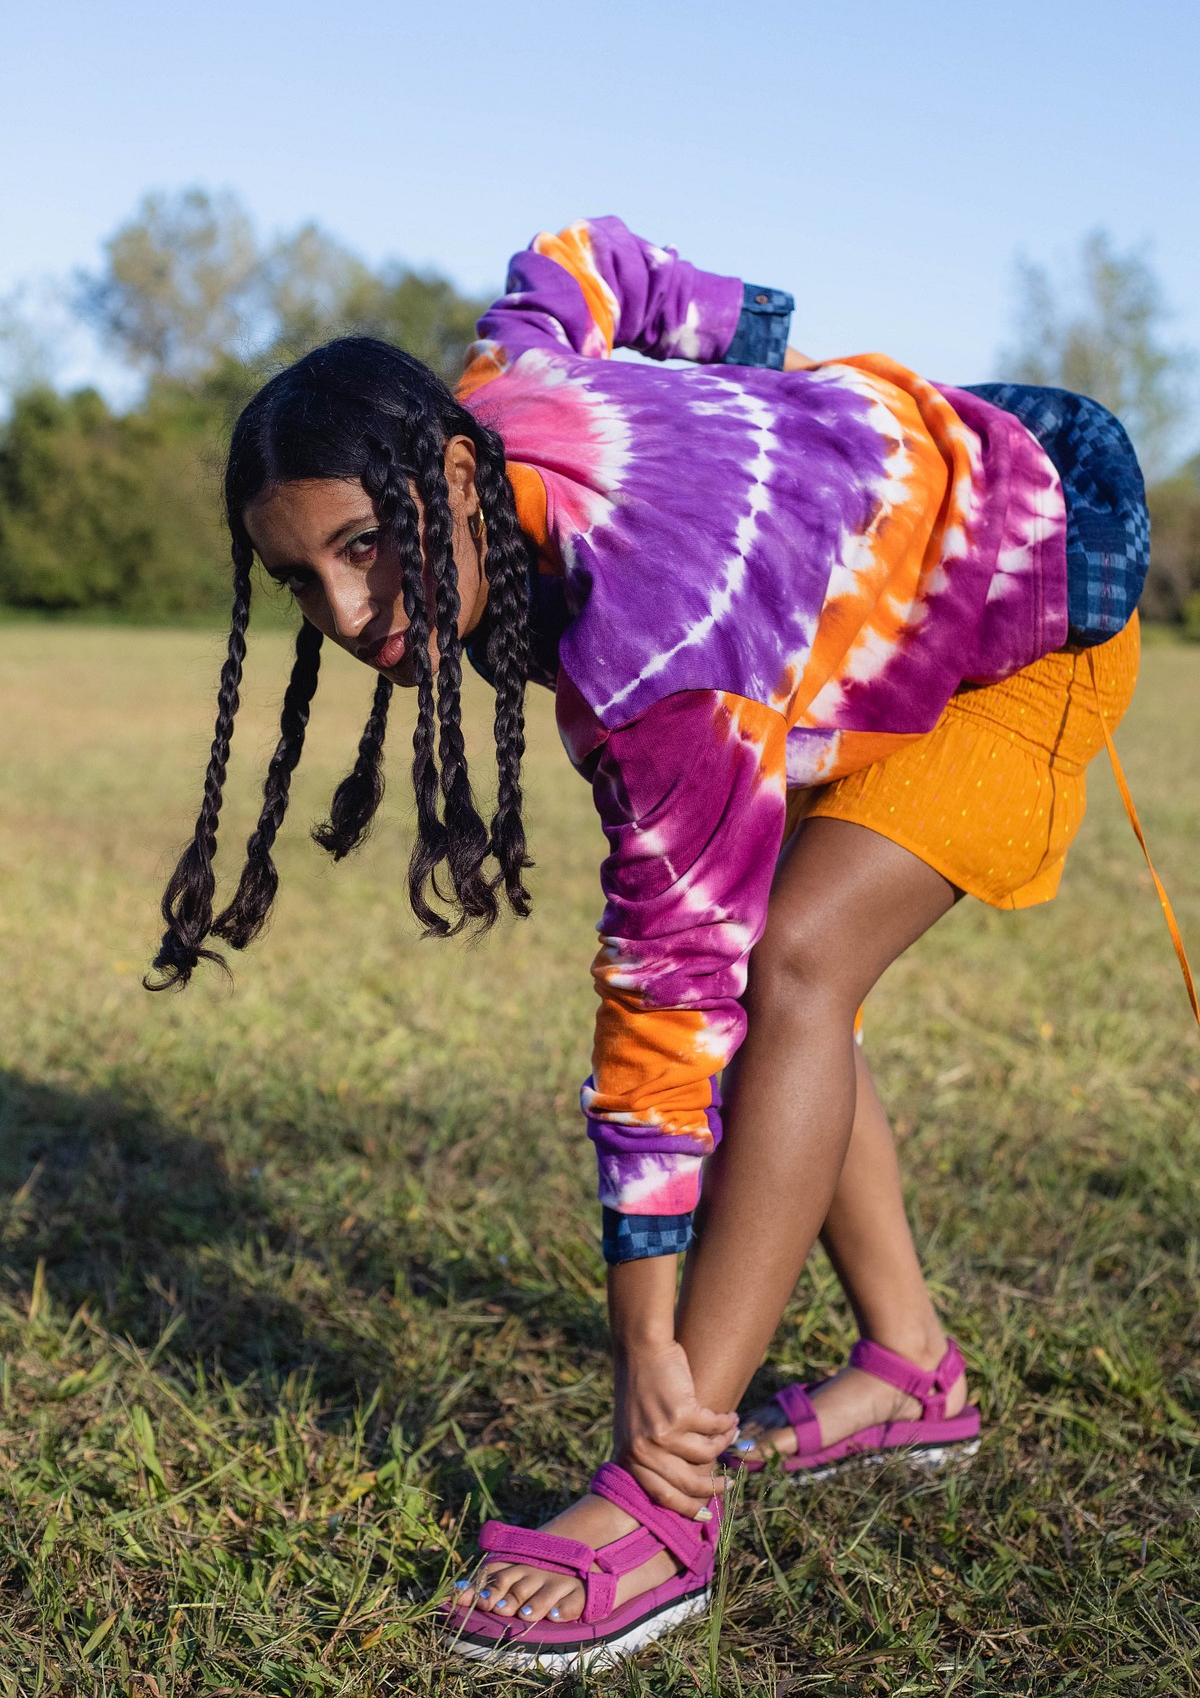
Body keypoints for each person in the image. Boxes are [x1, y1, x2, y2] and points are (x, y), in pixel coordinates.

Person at [149, 217, 1150, 1672]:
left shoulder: (651, 628)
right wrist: (759, 368)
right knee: (783, 971)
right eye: (304, 578)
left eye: (363, 547)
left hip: (1041, 576)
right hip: (871, 579)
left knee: (789, 965)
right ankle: (910, 1370)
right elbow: (578, 260)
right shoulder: (491, 391)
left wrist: (650, 1349)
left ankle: (664, 1496)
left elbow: (665, 1003)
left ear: (442, 471)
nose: (350, 615)